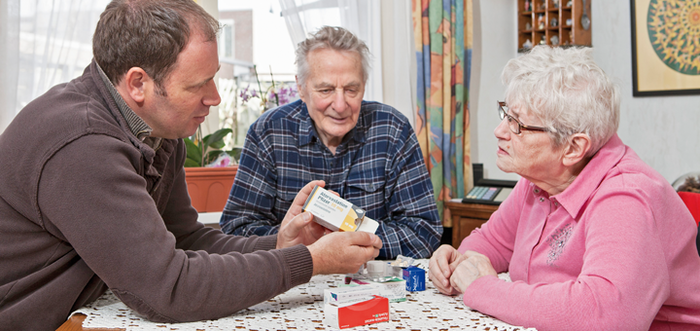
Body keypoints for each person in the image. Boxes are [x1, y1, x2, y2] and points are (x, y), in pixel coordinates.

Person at [0, 1, 382, 330]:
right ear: (138, 84)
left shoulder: (157, 130)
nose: (214, 97)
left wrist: (283, 245)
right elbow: (169, 290)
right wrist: (310, 261)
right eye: (199, 84)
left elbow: (188, 240)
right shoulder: (82, 144)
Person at [429, 46, 700, 330]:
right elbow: (493, 242)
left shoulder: (627, 196)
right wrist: (462, 261)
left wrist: (482, 287)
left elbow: (605, 316)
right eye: (506, 114)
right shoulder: (539, 181)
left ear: (573, 147)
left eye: (517, 124)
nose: (501, 131)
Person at [219, 26, 441, 260]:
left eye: (351, 89)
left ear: (364, 86)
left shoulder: (393, 129)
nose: (340, 105)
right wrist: (304, 244)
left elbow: (424, 232)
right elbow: (236, 230)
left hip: (375, 285)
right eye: (326, 90)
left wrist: (348, 238)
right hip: (293, 282)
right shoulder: (269, 133)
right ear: (301, 88)